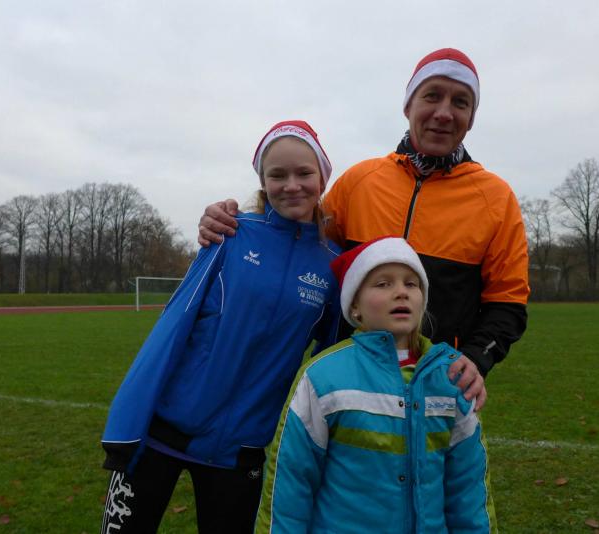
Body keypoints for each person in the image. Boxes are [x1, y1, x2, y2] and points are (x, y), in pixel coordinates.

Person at [197, 48, 530, 408]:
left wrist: (477, 357)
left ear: (472, 117)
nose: (444, 112)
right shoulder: (360, 181)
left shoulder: (496, 199)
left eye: (460, 102)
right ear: (408, 105)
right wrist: (236, 220)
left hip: (436, 390)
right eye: (432, 95)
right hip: (346, 388)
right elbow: (296, 237)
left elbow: (508, 304)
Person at [100, 120, 341, 533]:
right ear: (263, 182)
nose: (291, 185)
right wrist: (126, 423)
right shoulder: (229, 234)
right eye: (277, 175)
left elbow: (330, 361)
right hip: (162, 434)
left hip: (241, 451)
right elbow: (173, 325)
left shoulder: (332, 265)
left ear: (323, 177)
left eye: (304, 173)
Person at [255, 236, 494, 533]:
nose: (401, 292)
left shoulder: (452, 377)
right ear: (355, 306)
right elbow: (290, 486)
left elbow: (468, 490)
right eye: (383, 284)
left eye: (411, 284)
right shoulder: (323, 376)